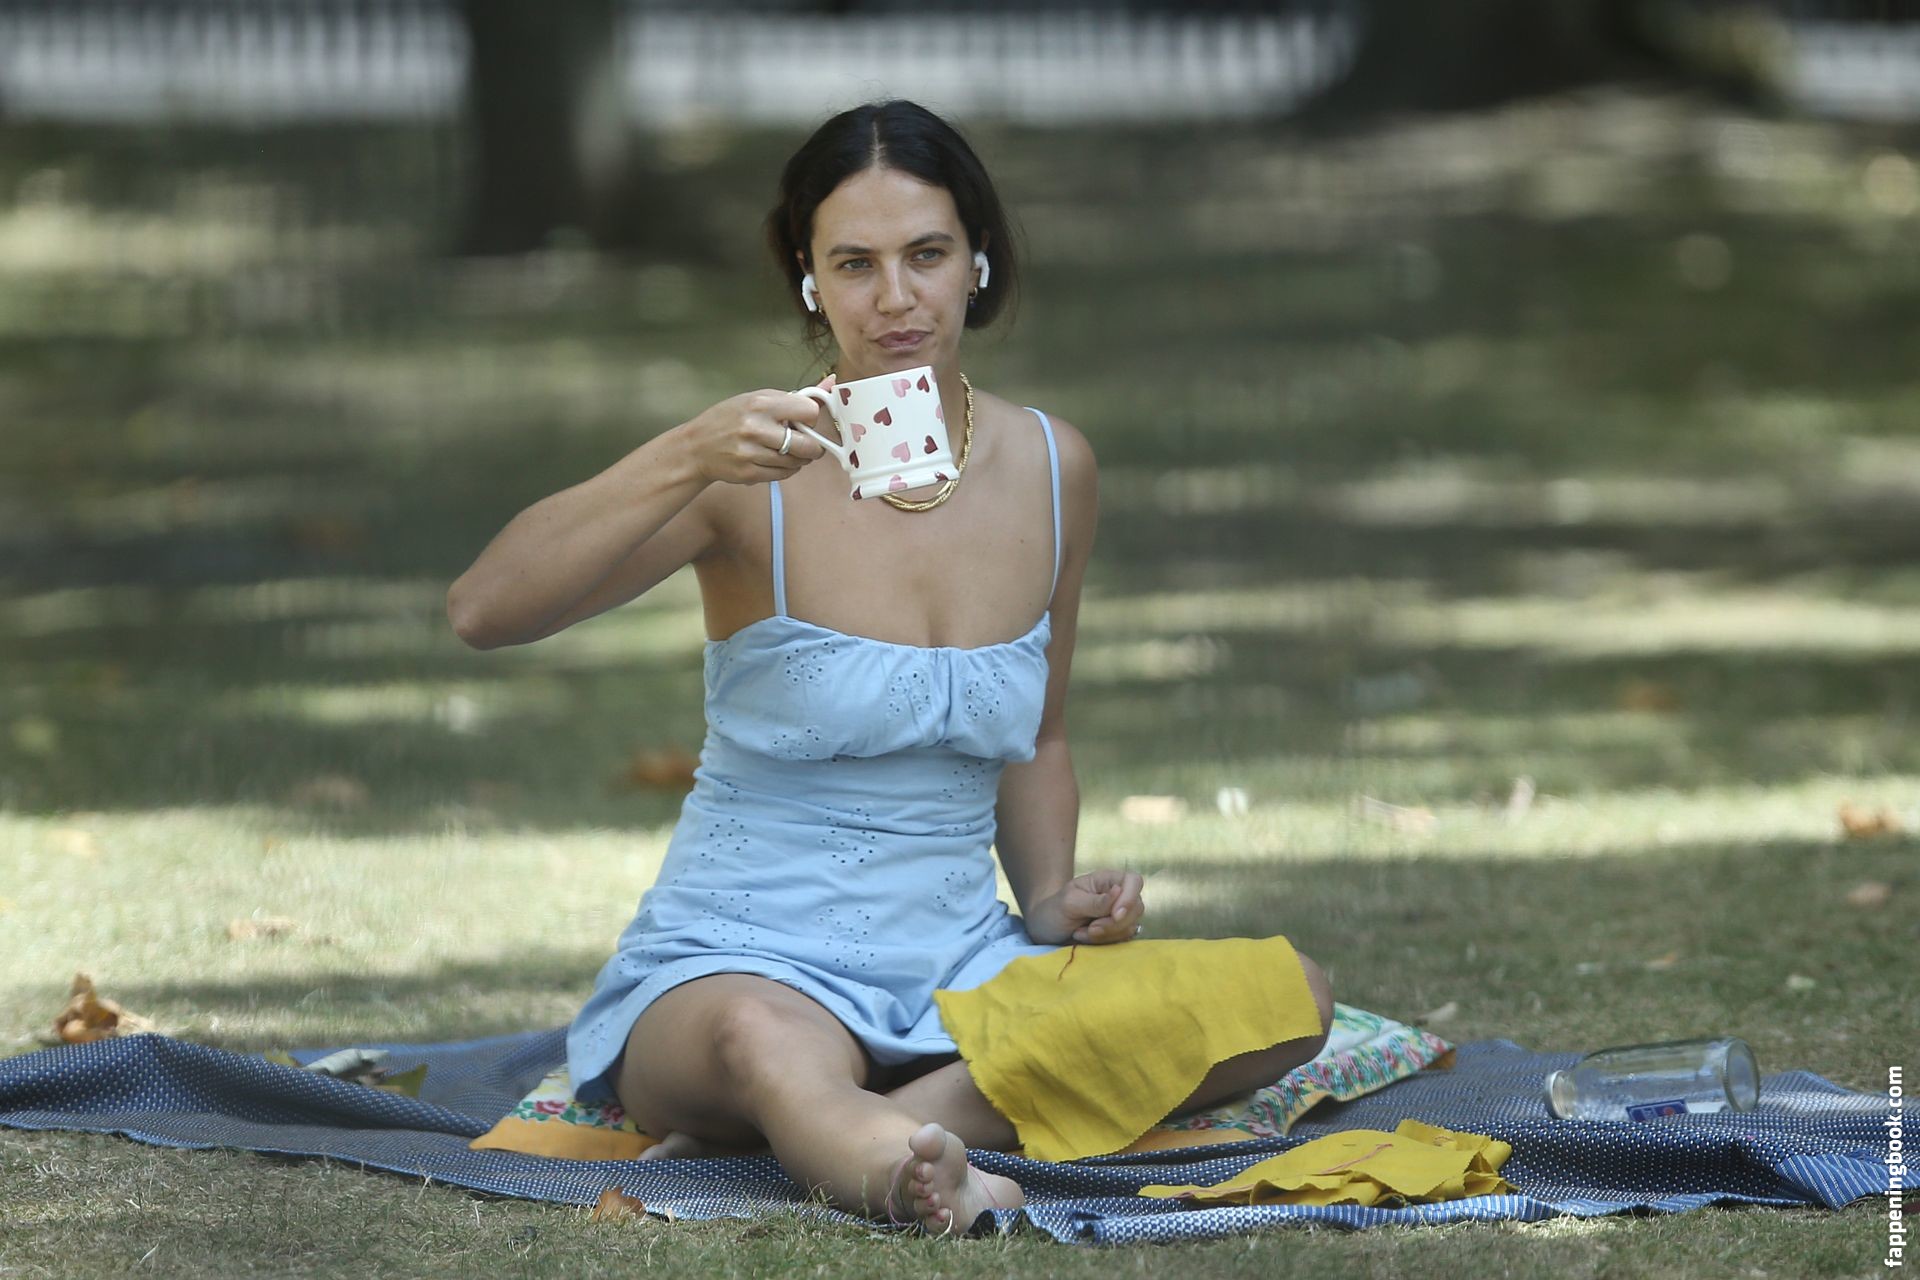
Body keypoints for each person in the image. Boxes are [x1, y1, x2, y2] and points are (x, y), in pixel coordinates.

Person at [446, 99, 1334, 1236]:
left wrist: (1052, 901)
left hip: (961, 972)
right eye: (854, 264)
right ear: (809, 279)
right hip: (739, 964)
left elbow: (1040, 733)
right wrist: (683, 454)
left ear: (978, 260)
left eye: (926, 254)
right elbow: (484, 611)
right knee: (765, 1042)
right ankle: (906, 1168)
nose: (896, 297)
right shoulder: (747, 474)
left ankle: (842, 1128)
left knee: (1286, 996)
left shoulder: (1053, 465)